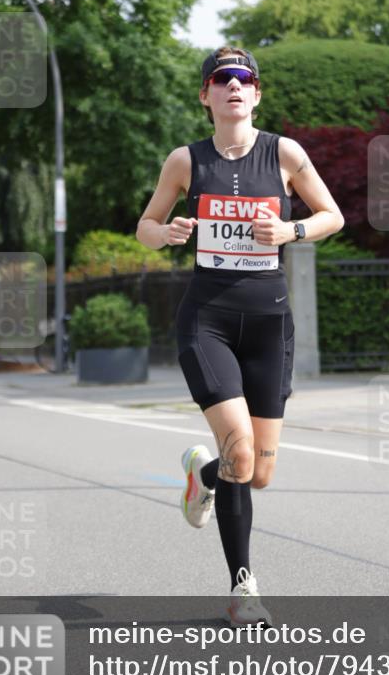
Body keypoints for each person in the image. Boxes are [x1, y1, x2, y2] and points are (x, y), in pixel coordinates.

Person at [136, 46, 344, 625]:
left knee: (257, 472)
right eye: (221, 79)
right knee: (242, 452)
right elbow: (145, 228)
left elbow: (334, 215)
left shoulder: (285, 153)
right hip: (209, 321)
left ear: (256, 93)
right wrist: (169, 231)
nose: (233, 86)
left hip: (270, 324)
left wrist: (291, 228)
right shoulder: (186, 160)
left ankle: (201, 476)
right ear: (205, 95)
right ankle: (243, 588)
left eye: (243, 78)